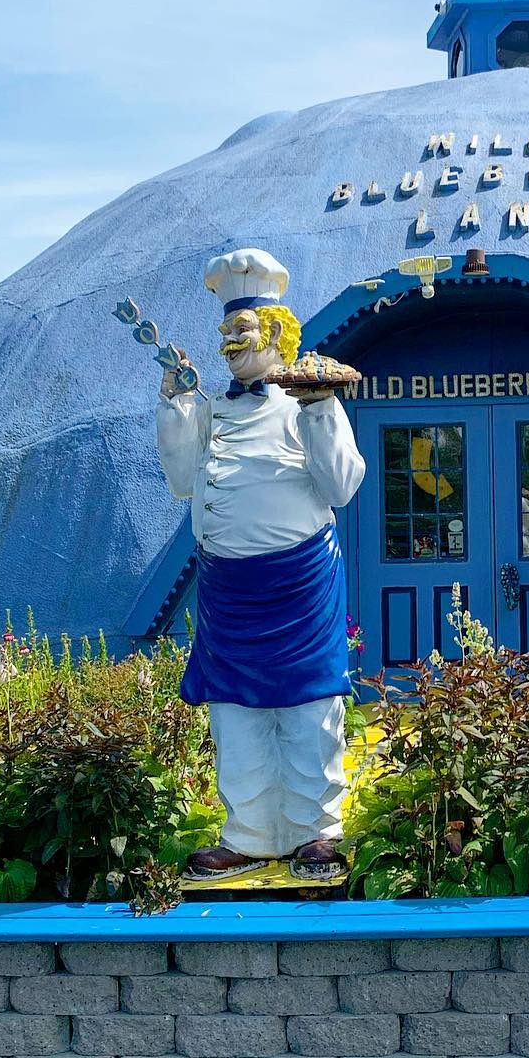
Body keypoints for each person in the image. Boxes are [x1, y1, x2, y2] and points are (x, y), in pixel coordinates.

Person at [155, 248, 365, 877]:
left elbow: (342, 486)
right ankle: (247, 831)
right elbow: (184, 482)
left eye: (242, 331)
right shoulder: (210, 411)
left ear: (276, 334)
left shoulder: (307, 404)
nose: (230, 344)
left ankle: (317, 831)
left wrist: (323, 406)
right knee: (236, 712)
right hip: (228, 589)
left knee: (307, 708)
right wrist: (176, 406)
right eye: (225, 333)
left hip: (299, 583)